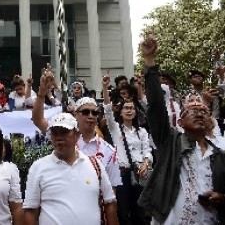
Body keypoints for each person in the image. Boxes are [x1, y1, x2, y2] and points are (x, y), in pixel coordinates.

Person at [138, 34, 225, 224]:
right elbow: (155, 106)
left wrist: (221, 197)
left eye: (203, 111)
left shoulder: (219, 155)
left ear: (210, 120)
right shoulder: (171, 142)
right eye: (192, 111)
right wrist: (150, 61)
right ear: (180, 122)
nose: (199, 113)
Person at [32, 68, 122, 188]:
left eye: (94, 113)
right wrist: (42, 93)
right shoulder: (63, 136)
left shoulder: (108, 151)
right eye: (85, 112)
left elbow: (112, 193)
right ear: (75, 115)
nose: (90, 116)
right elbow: (38, 120)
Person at [23, 111, 118, 225]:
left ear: (77, 135)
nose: (59, 137)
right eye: (54, 133)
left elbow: (109, 203)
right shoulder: (38, 167)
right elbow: (31, 211)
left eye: (64, 132)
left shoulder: (95, 165)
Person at [102, 72, 152, 224]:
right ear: (121, 112)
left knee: (139, 212)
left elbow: (147, 151)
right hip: (122, 174)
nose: (129, 110)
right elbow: (108, 111)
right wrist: (105, 87)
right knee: (123, 212)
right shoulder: (116, 129)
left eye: (132, 108)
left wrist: (146, 163)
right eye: (126, 108)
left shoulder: (141, 131)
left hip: (139, 173)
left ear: (136, 112)